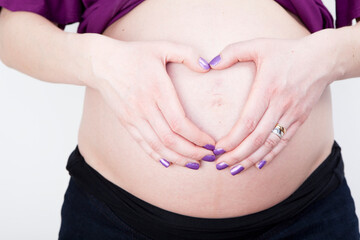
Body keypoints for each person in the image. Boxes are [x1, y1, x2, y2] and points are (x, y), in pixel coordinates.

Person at [0, 0, 359, 239]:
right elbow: (11, 31)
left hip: (305, 217)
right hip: (116, 218)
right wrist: (97, 61)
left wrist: (324, 58)